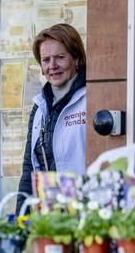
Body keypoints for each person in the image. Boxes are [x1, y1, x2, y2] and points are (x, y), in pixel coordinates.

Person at [17, 24, 87, 211]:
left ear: (77, 58)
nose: (52, 66)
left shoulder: (91, 99)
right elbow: (29, 169)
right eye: (46, 60)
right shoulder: (39, 107)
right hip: (51, 214)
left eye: (60, 57)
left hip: (86, 212)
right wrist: (21, 216)